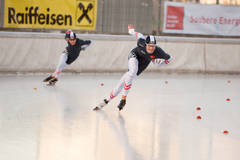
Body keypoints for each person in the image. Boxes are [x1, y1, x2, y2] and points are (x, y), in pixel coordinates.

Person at [93, 24, 172, 111]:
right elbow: (140, 35)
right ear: (145, 44)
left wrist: (160, 65)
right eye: (149, 46)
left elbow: (170, 58)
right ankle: (123, 99)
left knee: (120, 86)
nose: (151, 48)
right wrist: (132, 31)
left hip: (142, 64)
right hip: (134, 55)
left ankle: (105, 102)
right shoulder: (141, 42)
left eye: (153, 46)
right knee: (133, 70)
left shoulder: (159, 52)